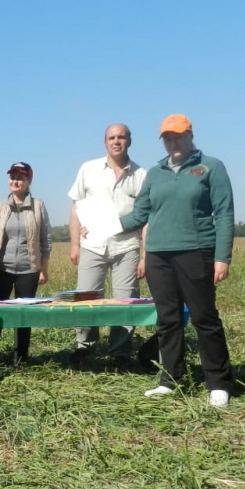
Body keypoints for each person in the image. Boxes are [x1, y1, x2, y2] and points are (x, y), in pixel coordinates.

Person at [116, 114, 234, 407]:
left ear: (190, 135)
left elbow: (225, 214)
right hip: (158, 256)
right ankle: (171, 379)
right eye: (168, 138)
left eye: (178, 136)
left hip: (196, 251)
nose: (173, 142)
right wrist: (105, 223)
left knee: (204, 317)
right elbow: (139, 214)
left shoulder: (211, 167)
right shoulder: (155, 173)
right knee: (168, 321)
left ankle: (218, 382)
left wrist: (222, 257)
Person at [67, 123, 147, 362]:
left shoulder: (141, 175)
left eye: (121, 137)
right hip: (92, 244)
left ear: (129, 141)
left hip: (127, 245)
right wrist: (74, 244)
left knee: (125, 298)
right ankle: (85, 345)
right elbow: (75, 208)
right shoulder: (88, 168)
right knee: (86, 296)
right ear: (105, 143)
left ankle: (120, 350)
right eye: (111, 137)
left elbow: (145, 219)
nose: (116, 141)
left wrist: (145, 255)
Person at [0, 162, 52, 369]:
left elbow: (46, 241)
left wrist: (43, 270)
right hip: (1, 269)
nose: (15, 181)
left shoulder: (38, 206)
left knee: (24, 314)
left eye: (20, 178)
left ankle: (22, 357)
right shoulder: (0, 207)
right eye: (12, 177)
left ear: (29, 181)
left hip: (29, 270)